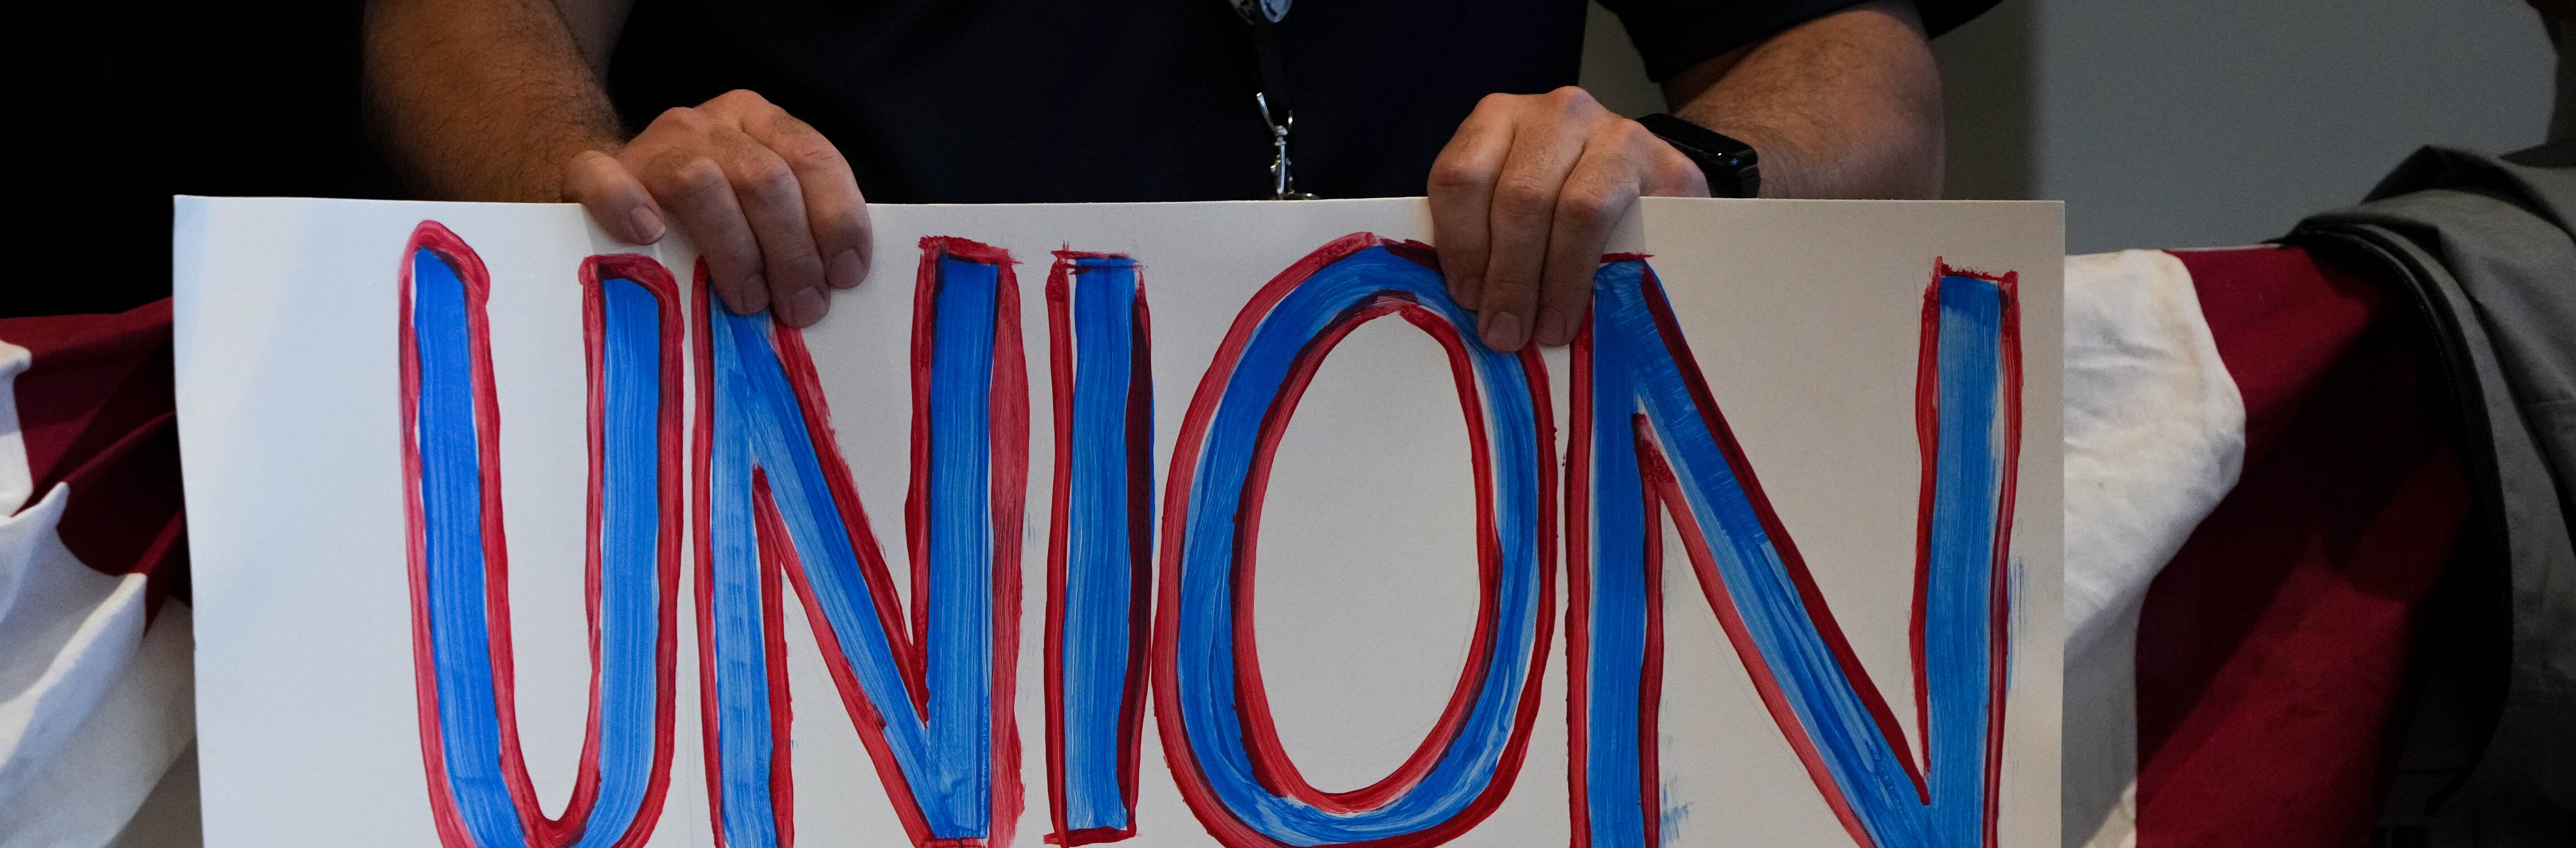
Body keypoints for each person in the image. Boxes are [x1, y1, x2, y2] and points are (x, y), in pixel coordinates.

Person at [366, 0, 1984, 355]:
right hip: (799, 526)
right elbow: (464, 19)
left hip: (1448, 565)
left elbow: (1866, 77)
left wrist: (1690, 171)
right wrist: (604, 180)